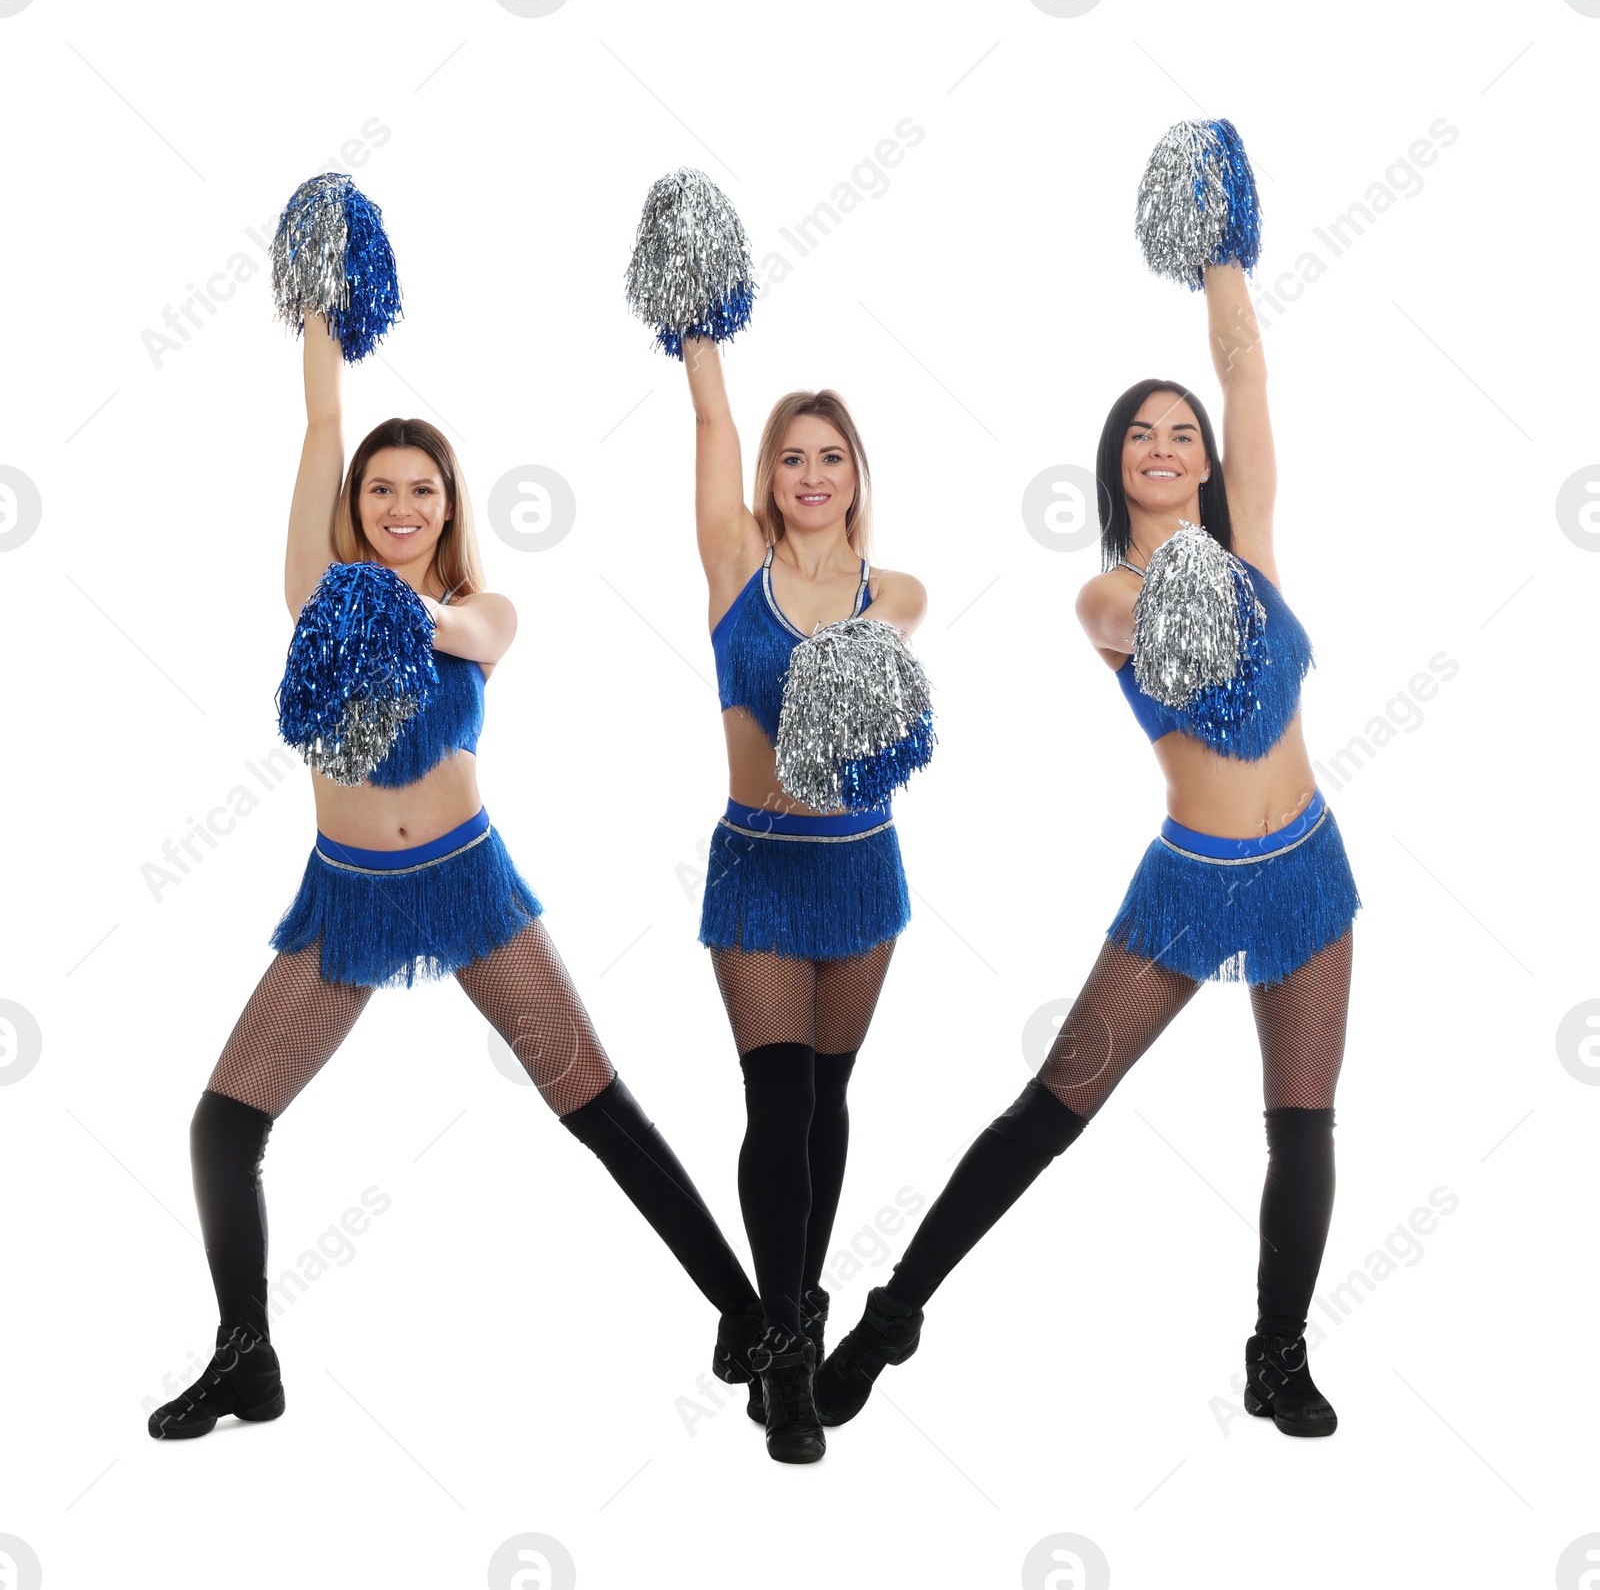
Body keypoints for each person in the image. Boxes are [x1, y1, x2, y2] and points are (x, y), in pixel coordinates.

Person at [148, 307, 758, 1438]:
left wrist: (392, 606)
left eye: (421, 489)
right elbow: (321, 415)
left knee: (595, 1103)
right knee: (222, 1126)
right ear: (358, 504)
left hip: (467, 885)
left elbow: (471, 636)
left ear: (449, 506)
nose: (398, 505)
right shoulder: (314, 598)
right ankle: (246, 1360)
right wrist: (325, 309)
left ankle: (746, 1313)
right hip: (344, 895)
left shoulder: (483, 608)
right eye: (380, 489)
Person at [816, 259, 1360, 1439]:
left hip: (1309, 866)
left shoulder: (1253, 542)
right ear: (1115, 467)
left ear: (1208, 460)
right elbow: (1152, 618)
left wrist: (1219, 256)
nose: (1162, 446)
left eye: (1181, 434)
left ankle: (1276, 1358)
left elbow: (1244, 366)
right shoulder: (1107, 595)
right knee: (1059, 1099)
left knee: (1303, 1121)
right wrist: (1187, 561)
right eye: (1138, 437)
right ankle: (890, 1314)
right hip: (1194, 883)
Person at [681, 330, 928, 1463]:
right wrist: (701, 340)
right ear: (770, 477)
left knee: (829, 1102)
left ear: (856, 473)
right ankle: (782, 1356)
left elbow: (890, 640)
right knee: (775, 1103)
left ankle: (804, 1301)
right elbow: (709, 428)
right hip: (761, 866)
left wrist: (864, 630)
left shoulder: (896, 590)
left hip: (862, 866)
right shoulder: (736, 563)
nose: (812, 474)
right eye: (793, 457)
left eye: (831, 456)